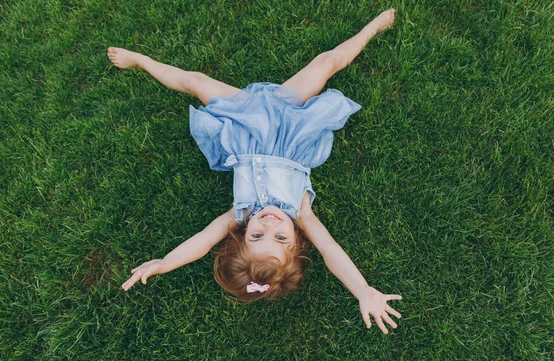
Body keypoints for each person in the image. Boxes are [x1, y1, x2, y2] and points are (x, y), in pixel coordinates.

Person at [114, 9, 402, 334]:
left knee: (194, 81)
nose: (268, 225)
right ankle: (371, 28)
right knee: (325, 63)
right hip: (288, 119)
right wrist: (363, 289)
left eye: (256, 235)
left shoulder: (239, 214)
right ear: (296, 240)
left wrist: (166, 263)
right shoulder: (302, 213)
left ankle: (140, 59)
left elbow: (203, 241)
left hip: (244, 123)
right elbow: (331, 250)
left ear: (241, 236)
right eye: (280, 237)